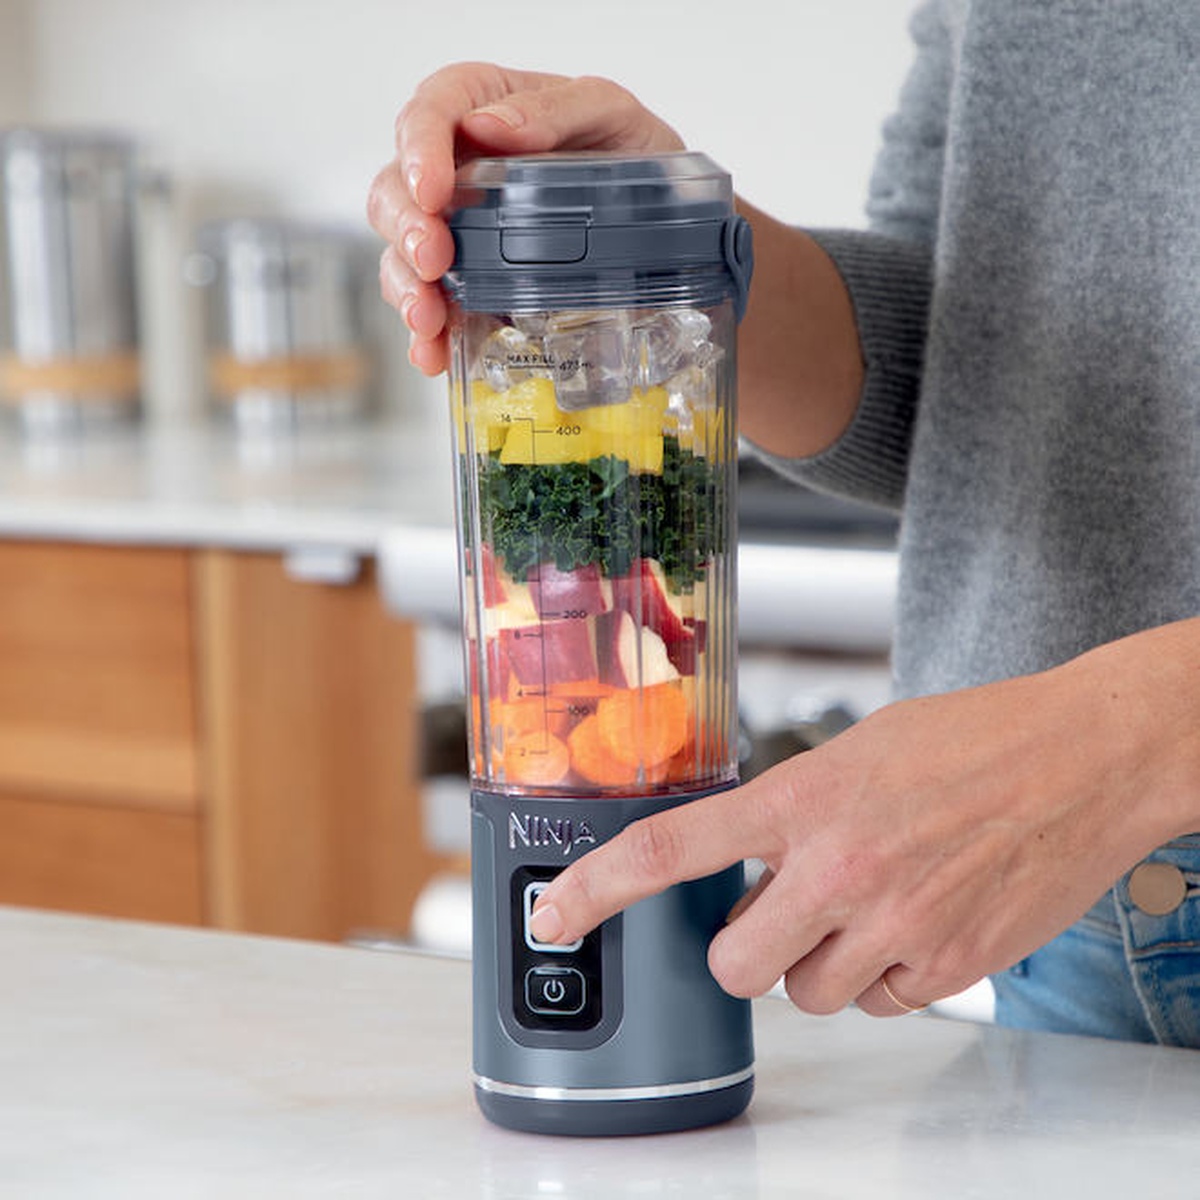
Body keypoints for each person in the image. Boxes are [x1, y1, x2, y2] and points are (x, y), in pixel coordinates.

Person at [368, 4, 1200, 1044]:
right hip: (1064, 933)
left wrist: (1120, 749)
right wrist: (660, 242)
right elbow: (965, 362)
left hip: (1065, 810)